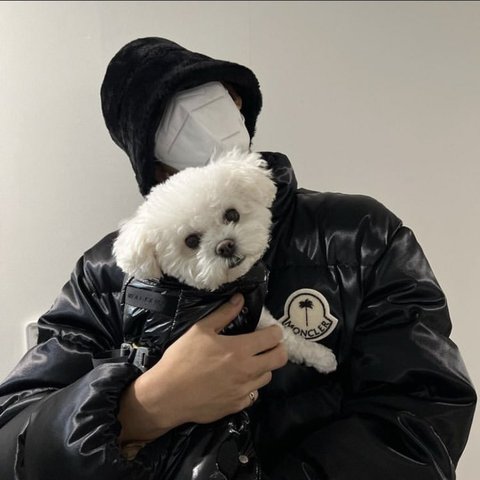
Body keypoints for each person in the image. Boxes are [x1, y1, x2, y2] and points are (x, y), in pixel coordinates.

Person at [0, 37, 476, 480]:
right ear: (151, 162)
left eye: (217, 93)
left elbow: (423, 416)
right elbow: (14, 442)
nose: (204, 116)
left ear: (239, 100)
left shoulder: (361, 235)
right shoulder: (108, 272)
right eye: (169, 116)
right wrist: (145, 406)